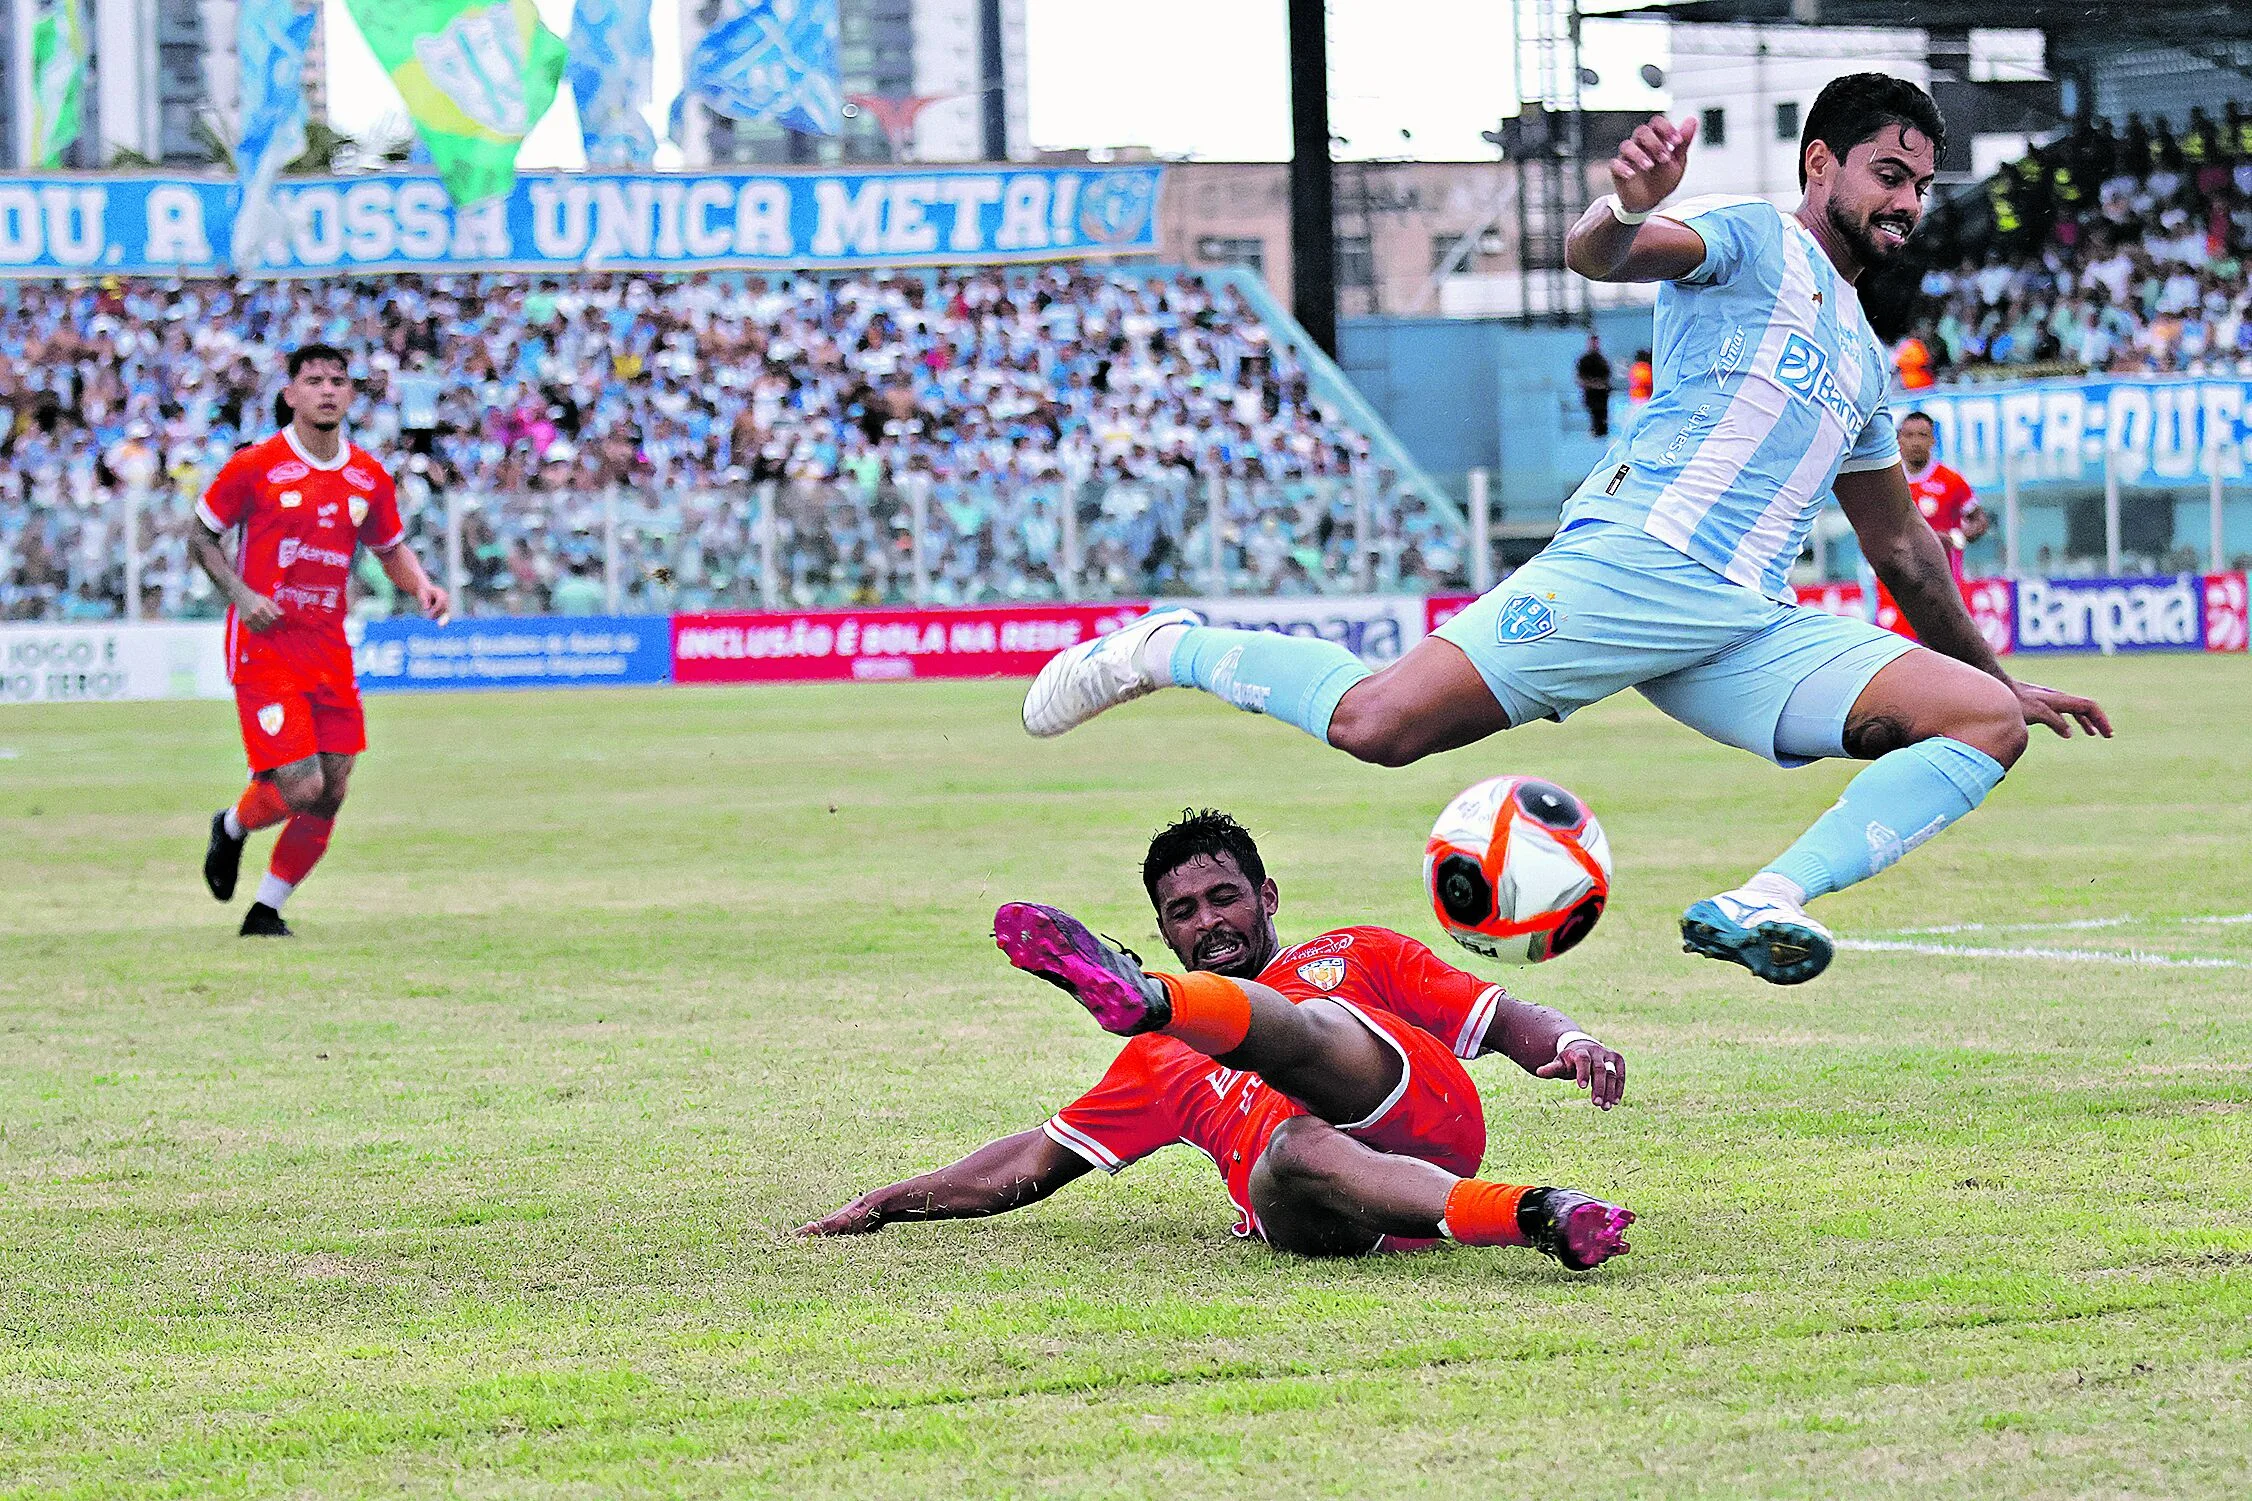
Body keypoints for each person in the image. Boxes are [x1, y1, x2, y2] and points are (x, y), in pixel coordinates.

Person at [1020, 74, 2111, 987]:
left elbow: (1904, 554)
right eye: (1889, 173)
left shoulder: (1866, 360)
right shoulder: (1751, 240)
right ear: (1818, 163)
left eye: (1921, 185)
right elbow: (1605, 254)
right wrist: (1623, 205)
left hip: (1744, 625)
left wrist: (2000, 676)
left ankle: (1761, 898)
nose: (1907, 201)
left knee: (1977, 722)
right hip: (1633, 567)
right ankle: (1163, 644)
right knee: (1377, 725)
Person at [800, 810, 1634, 1266]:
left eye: (1225, 896)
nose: (1211, 920)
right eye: (1183, 912)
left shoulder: (1359, 952)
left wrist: (1571, 1040)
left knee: (1306, 1027)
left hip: (1419, 1115)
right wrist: (885, 1203)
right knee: (1292, 1144)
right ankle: (1542, 1213)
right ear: (1163, 931)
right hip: (1317, 1207)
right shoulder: (1153, 1065)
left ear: (1267, 894)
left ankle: (1158, 999)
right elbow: (1029, 1164)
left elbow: (1504, 1018)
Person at [191, 345, 450, 937]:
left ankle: (266, 911)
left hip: (328, 647)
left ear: (351, 394)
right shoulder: (256, 465)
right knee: (300, 785)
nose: (327, 390)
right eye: (314, 381)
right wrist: (242, 593)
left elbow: (388, 547)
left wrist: (422, 585)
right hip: (265, 646)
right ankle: (231, 826)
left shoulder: (368, 475)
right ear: (292, 394)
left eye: (338, 380)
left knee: (331, 790)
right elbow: (201, 537)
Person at [1896, 410, 1987, 584]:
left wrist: (1958, 536)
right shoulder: (1890, 481)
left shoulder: (1951, 480)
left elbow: (1979, 521)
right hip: (1898, 580)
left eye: (1922, 435)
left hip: (1944, 581)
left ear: (1932, 440)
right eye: (1909, 435)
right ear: (1899, 440)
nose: (1915, 442)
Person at [1575, 333, 1616, 438]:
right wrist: (1594, 384)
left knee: (1603, 417)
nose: (1595, 345)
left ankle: (1602, 432)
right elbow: (1580, 378)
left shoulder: (1602, 360)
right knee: (1595, 417)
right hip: (1591, 396)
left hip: (1602, 396)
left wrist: (1601, 385)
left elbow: (1607, 376)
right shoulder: (1585, 361)